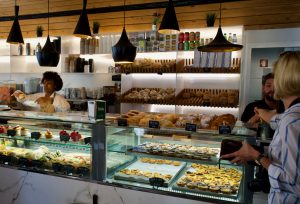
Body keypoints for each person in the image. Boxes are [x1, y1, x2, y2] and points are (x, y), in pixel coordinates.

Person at [222, 51, 300, 203]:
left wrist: (257, 157)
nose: (272, 85)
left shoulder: (291, 121)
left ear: (284, 79)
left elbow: (294, 183)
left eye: (276, 77)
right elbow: (278, 121)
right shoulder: (291, 115)